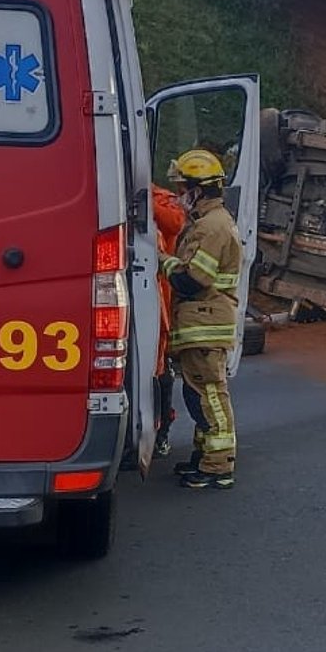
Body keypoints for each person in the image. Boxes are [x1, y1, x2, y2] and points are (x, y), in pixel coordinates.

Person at [161, 148, 242, 490]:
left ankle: (218, 465)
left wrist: (161, 259)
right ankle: (204, 456)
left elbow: (192, 280)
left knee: (209, 395)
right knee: (198, 396)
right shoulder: (209, 222)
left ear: (199, 188)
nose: (180, 196)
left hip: (206, 324)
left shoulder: (211, 227)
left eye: (183, 188)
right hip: (202, 324)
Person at [152, 181, 186, 456]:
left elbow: (174, 223)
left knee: (161, 370)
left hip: (159, 297)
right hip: (143, 295)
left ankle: (162, 430)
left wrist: (145, 202)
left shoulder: (161, 200)